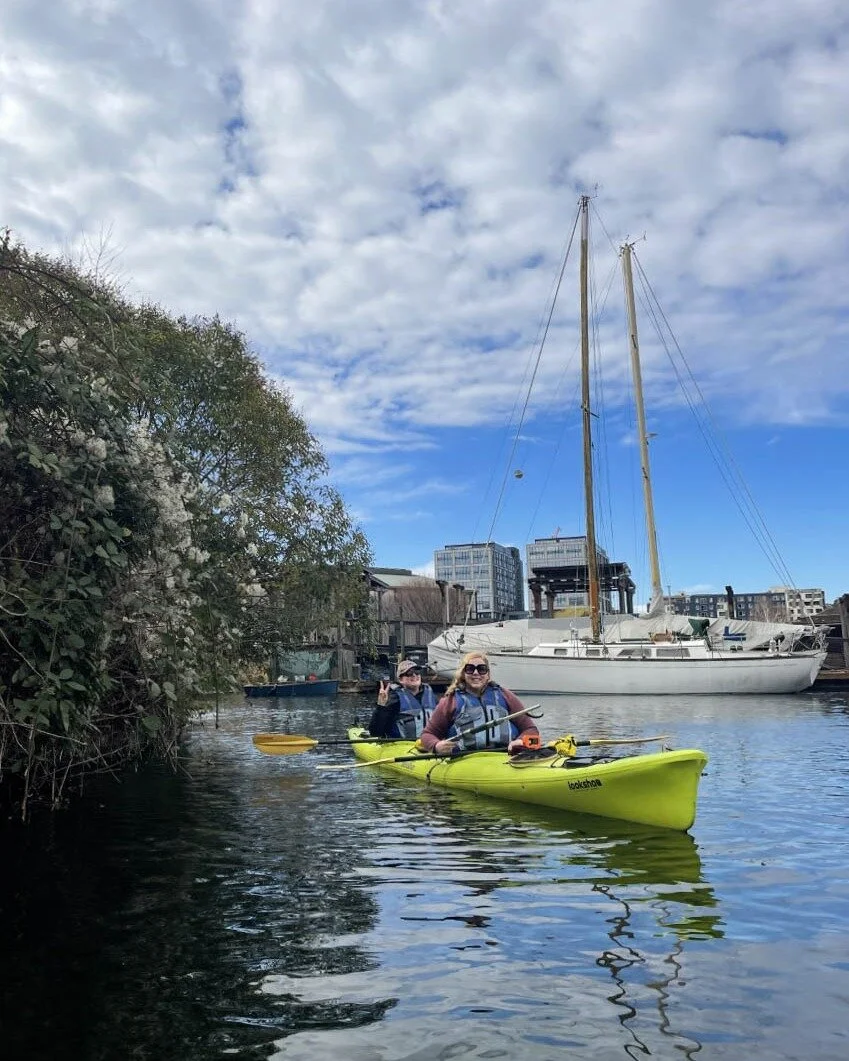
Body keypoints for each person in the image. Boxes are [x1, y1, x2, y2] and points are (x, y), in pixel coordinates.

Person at [418, 651, 539, 755]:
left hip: (503, 755)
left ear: (487, 674)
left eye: (481, 669)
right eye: (470, 669)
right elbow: (427, 735)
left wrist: (520, 741)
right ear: (463, 674)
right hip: (465, 758)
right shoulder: (450, 701)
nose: (476, 673)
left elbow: (531, 730)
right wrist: (436, 746)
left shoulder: (506, 695)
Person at [368, 659, 438, 739]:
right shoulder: (394, 699)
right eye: (409, 673)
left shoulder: (431, 696)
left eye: (417, 672)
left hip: (428, 743)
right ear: (401, 679)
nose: (414, 675)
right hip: (400, 745)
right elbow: (375, 732)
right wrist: (381, 706)